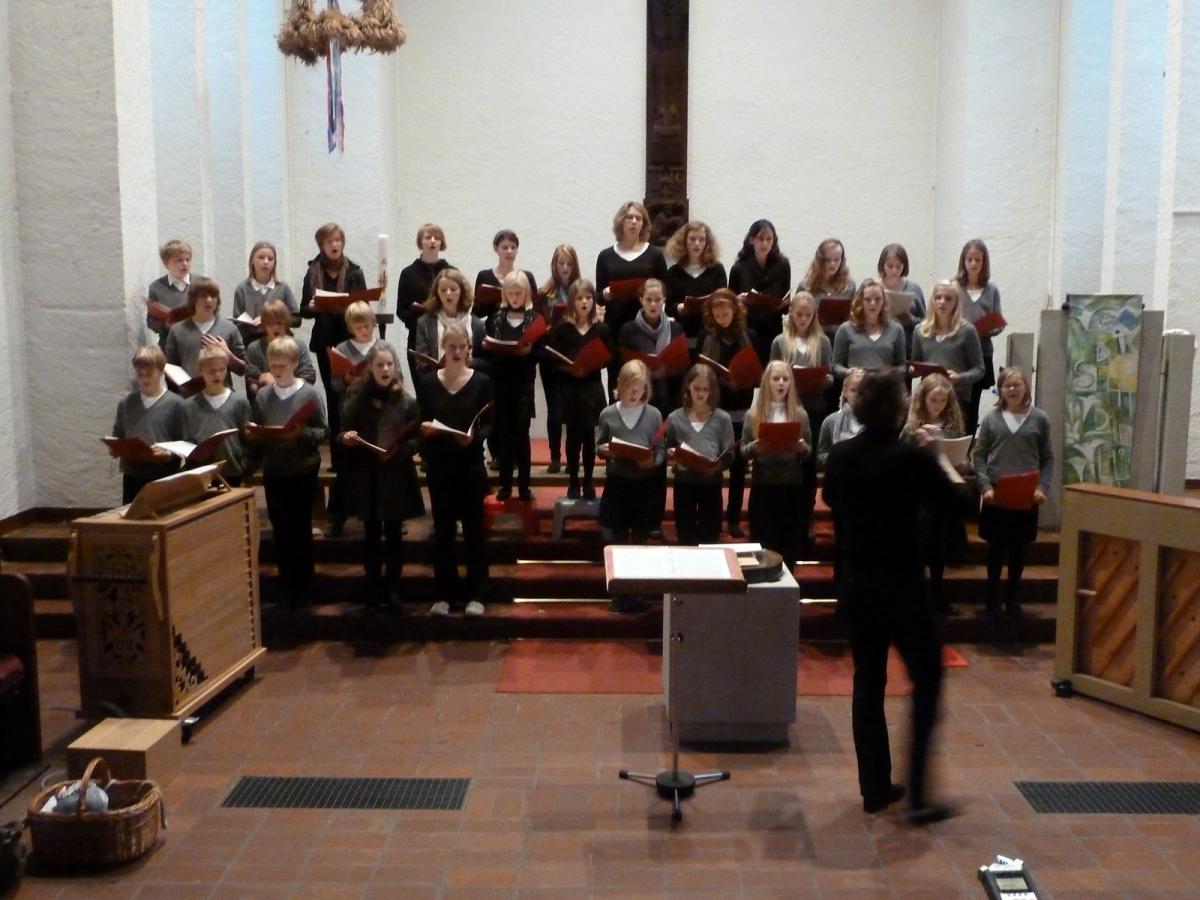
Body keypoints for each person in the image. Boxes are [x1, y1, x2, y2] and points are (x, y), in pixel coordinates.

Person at [822, 369, 970, 825]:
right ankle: (919, 795)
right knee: (927, 681)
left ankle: (874, 788)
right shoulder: (911, 458)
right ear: (899, 409)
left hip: (858, 586)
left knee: (868, 685)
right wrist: (940, 458)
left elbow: (831, 498)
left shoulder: (841, 456)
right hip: (904, 589)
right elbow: (962, 505)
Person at [338, 341, 424, 609]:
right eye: (379, 364)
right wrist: (347, 439)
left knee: (395, 534)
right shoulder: (357, 397)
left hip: (396, 475)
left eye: (389, 364)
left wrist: (398, 452)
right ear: (370, 368)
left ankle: (394, 588)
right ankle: (373, 588)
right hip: (368, 476)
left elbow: (417, 440)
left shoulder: (406, 400)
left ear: (395, 367)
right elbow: (341, 432)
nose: (385, 369)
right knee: (371, 535)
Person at [417, 322, 494, 617]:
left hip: (470, 464)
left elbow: (490, 422)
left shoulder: (482, 381)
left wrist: (475, 436)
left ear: (469, 348)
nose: (458, 352)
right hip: (440, 466)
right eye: (452, 347)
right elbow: (421, 419)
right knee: (444, 532)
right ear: (443, 349)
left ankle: (477, 593)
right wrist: (426, 430)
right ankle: (444, 594)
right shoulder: (427, 382)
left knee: (474, 532)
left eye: (462, 347)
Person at [246, 336, 328, 607]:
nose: (277, 370)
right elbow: (258, 430)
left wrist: (300, 434)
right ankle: (286, 586)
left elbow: (322, 431)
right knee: (280, 528)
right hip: (275, 469)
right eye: (273, 365)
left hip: (302, 468)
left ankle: (305, 586)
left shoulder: (308, 393)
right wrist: (255, 436)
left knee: (300, 528)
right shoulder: (263, 396)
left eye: (282, 365)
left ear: (294, 363)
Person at [299, 223, 368, 536]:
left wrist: (350, 305)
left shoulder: (354, 270)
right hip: (326, 341)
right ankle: (340, 457)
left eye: (339, 239)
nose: (335, 244)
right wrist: (313, 306)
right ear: (321, 245)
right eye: (329, 240)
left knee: (356, 399)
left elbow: (363, 305)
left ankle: (358, 452)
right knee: (334, 397)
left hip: (352, 340)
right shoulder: (312, 271)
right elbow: (304, 308)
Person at [974, 367, 1053, 619]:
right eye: (1007, 385)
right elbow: (979, 455)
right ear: (1000, 389)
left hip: (1026, 494)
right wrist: (985, 486)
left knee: (1019, 550)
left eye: (1017, 385)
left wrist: (1042, 488)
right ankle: (991, 601)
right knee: (995, 550)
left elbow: (1048, 458)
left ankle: (1013, 599)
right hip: (996, 494)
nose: (1012, 389)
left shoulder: (1040, 419)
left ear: (1025, 387)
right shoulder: (991, 418)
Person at [596, 360, 665, 613]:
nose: (636, 393)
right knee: (619, 541)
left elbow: (660, 449)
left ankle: (638, 593)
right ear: (621, 386)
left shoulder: (654, 415)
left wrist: (652, 461)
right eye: (631, 388)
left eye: (640, 388)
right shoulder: (608, 414)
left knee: (639, 542)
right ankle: (620, 594)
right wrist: (604, 450)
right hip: (618, 485)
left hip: (643, 486)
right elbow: (599, 444)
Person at [901, 374, 968, 614]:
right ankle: (916, 599)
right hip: (920, 497)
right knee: (920, 549)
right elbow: (901, 460)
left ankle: (938, 597)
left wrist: (961, 463)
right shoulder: (911, 429)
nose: (938, 405)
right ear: (923, 399)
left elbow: (961, 457)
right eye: (933, 400)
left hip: (943, 494)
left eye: (943, 401)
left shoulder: (952, 427)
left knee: (940, 551)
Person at [742, 360, 813, 567]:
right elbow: (743, 451)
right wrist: (755, 448)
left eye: (785, 379)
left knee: (788, 545)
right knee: (763, 544)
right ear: (767, 382)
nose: (781, 383)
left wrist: (801, 448)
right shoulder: (754, 414)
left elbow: (809, 452)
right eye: (776, 379)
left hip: (791, 489)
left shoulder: (800, 414)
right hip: (764, 487)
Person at [698, 289, 756, 538]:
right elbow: (701, 372)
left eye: (726, 313)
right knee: (712, 464)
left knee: (738, 468)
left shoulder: (749, 336)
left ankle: (733, 517)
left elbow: (757, 372)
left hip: (741, 409)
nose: (722, 318)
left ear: (735, 311)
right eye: (717, 314)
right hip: (715, 410)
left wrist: (742, 378)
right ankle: (710, 516)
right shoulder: (708, 337)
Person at [549, 278, 612, 499]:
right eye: (579, 298)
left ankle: (588, 481)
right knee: (573, 438)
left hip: (591, 388)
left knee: (588, 437)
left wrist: (592, 365)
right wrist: (571, 368)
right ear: (571, 302)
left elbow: (608, 357)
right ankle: (574, 481)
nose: (584, 302)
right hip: (570, 388)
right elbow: (554, 360)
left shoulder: (601, 329)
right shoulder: (563, 329)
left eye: (588, 298)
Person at [482, 270, 539, 500]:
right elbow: (487, 346)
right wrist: (488, 347)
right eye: (511, 293)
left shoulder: (534, 319)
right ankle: (505, 485)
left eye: (519, 293)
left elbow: (541, 352)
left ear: (526, 294)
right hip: (500, 383)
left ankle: (524, 486)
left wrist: (529, 351)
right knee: (503, 436)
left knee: (522, 437)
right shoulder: (495, 318)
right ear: (505, 293)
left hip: (523, 385)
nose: (515, 297)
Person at [664, 365, 734, 545]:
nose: (701, 394)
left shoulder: (722, 418)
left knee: (710, 536)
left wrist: (716, 467)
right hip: (684, 482)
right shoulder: (675, 417)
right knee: (685, 534)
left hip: (711, 483)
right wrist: (672, 453)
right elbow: (668, 445)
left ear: (712, 391)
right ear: (688, 386)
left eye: (705, 389)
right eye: (696, 388)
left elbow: (729, 454)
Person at [595, 200, 669, 359]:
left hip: (647, 326)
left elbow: (665, 290)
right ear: (621, 222)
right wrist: (605, 294)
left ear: (644, 224)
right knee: (618, 370)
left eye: (638, 218)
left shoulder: (655, 254)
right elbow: (598, 295)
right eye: (629, 217)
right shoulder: (605, 256)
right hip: (615, 324)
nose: (634, 222)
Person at [111, 346, 184, 503]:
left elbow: (184, 441)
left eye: (149, 374)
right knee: (133, 515)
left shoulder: (176, 404)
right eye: (140, 374)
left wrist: (168, 454)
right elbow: (118, 435)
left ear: (161, 372)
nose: (144, 379)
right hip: (132, 475)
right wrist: (116, 448)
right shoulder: (126, 403)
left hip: (163, 474)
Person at [535, 245, 582, 472]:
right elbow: (535, 322)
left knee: (573, 409)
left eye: (569, 264)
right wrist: (546, 327)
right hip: (550, 356)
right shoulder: (544, 293)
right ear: (554, 265)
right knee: (554, 409)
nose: (565, 268)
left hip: (573, 355)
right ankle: (555, 456)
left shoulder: (581, 290)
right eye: (561, 263)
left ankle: (574, 457)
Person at [911, 279, 985, 414]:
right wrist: (913, 370)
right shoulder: (920, 330)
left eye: (948, 298)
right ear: (932, 300)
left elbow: (979, 369)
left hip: (957, 397)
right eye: (938, 297)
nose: (942, 302)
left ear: (956, 302)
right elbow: (915, 364)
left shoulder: (967, 330)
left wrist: (960, 377)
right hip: (928, 397)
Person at [180, 346, 251, 485]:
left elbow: (248, 439)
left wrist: (245, 467)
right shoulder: (189, 406)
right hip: (202, 474)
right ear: (200, 371)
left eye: (222, 369)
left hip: (234, 472)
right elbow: (187, 441)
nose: (217, 375)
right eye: (211, 371)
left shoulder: (239, 402)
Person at [955, 238, 1003, 434]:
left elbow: (998, 321)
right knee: (955, 401)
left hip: (981, 351)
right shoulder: (955, 287)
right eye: (970, 259)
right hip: (958, 351)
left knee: (973, 403)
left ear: (984, 262)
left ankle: (968, 443)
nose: (973, 264)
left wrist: (989, 328)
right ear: (963, 261)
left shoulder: (992, 290)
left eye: (978, 260)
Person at [728, 219, 791, 363]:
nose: (765, 244)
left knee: (772, 369)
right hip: (748, 329)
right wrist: (738, 300)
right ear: (751, 240)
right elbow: (730, 303)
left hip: (773, 328)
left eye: (769, 239)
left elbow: (785, 303)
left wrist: (785, 304)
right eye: (761, 239)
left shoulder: (782, 265)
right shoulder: (739, 268)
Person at [164, 276, 246, 381]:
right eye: (203, 296)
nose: (209, 300)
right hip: (189, 391)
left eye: (213, 296)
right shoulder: (177, 330)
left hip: (222, 390)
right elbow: (171, 369)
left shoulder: (230, 329)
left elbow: (243, 370)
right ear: (193, 299)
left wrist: (228, 355)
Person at [663, 220, 727, 342]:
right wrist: (679, 307)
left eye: (701, 239)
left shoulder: (717, 270)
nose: (697, 243)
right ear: (684, 242)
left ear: (707, 243)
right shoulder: (673, 272)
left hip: (711, 333)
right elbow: (667, 306)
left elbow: (724, 301)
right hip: (681, 332)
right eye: (692, 239)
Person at [411, 267, 485, 370]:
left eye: (453, 289)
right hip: (436, 378)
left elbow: (486, 363)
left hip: (469, 377)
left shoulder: (477, 325)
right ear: (437, 293)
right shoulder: (425, 323)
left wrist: (471, 362)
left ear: (462, 291)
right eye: (443, 290)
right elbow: (421, 365)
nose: (448, 293)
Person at [831, 278, 906, 380]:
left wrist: (888, 373)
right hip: (857, 385)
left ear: (884, 301)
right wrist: (848, 372)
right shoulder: (845, 329)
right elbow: (835, 366)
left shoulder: (896, 329)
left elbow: (902, 367)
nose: (873, 303)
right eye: (867, 299)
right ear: (860, 302)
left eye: (878, 299)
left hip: (885, 385)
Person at [244, 299, 318, 401]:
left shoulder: (298, 345)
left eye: (279, 323)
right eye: (270, 323)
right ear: (264, 325)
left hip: (295, 398)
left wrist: (286, 384)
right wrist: (265, 386)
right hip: (266, 400)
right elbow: (251, 383)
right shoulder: (254, 348)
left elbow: (309, 376)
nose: (275, 327)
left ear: (286, 323)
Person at [396, 223, 452, 356]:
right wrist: (421, 321)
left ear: (441, 243)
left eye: (437, 238)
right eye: (428, 237)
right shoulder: (408, 273)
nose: (432, 241)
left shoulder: (451, 272)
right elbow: (401, 310)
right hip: (418, 337)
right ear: (420, 242)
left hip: (447, 335)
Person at [232, 241, 299, 345]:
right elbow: (237, 322)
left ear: (274, 263)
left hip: (280, 343)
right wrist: (252, 325)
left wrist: (271, 320)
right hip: (252, 342)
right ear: (252, 261)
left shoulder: (283, 287)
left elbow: (297, 319)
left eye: (270, 259)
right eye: (261, 257)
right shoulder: (242, 289)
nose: (266, 262)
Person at [799, 237, 856, 343]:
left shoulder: (849, 286)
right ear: (820, 260)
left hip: (840, 340)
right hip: (812, 339)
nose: (832, 264)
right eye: (828, 260)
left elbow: (854, 316)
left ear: (842, 260)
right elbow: (797, 316)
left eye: (837, 260)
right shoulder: (806, 286)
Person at [473, 229, 538, 319]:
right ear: (496, 248)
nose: (510, 251)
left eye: (513, 247)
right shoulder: (484, 276)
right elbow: (476, 312)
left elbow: (535, 307)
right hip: (494, 325)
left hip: (521, 323)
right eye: (505, 248)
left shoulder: (527, 276)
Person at [877, 243, 926, 355]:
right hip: (880, 347)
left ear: (904, 266)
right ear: (882, 265)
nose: (894, 271)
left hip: (907, 348)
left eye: (898, 266)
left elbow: (925, 324)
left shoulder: (915, 289)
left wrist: (910, 320)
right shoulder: (873, 288)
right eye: (890, 266)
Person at [146, 239, 195, 346]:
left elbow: (212, 313)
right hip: (169, 343)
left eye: (188, 260)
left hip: (196, 342)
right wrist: (166, 325)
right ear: (166, 263)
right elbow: (151, 322)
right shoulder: (156, 287)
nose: (185, 264)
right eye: (179, 260)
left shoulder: (199, 283)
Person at [817, 368, 865, 472]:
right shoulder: (830, 421)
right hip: (839, 475)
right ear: (845, 391)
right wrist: (839, 457)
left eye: (861, 391)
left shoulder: (874, 422)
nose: (857, 395)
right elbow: (820, 456)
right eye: (853, 390)